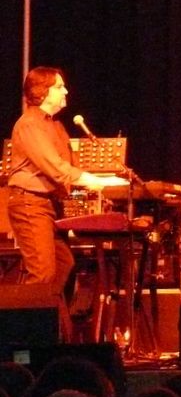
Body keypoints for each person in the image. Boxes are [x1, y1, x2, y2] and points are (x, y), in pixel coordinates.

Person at [6, 67, 108, 338]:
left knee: (64, 264)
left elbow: (68, 169)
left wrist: (101, 182)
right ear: (43, 92)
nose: (66, 91)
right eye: (60, 86)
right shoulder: (29, 124)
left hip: (49, 205)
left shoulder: (57, 126)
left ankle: (53, 334)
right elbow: (54, 167)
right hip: (30, 203)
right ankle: (23, 339)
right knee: (42, 273)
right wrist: (89, 180)